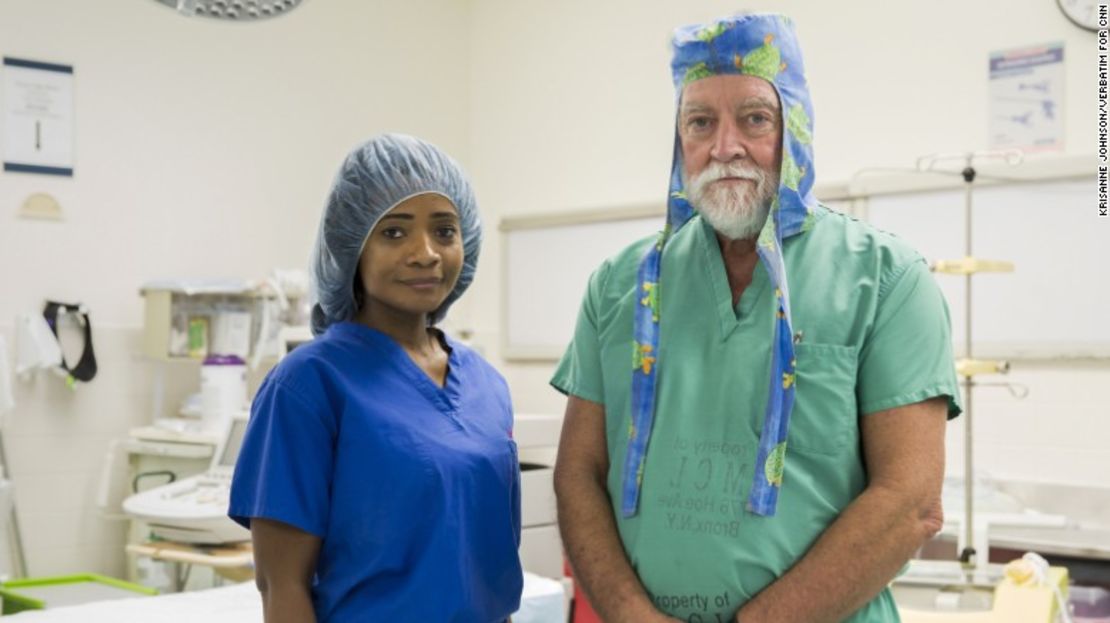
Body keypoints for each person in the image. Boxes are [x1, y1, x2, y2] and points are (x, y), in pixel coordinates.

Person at [551, 13, 962, 623]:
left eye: (753, 118)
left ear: (792, 126)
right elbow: (579, 475)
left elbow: (909, 503)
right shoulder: (620, 285)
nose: (725, 147)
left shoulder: (885, 280)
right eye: (699, 122)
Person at [229, 133, 523, 623]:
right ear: (351, 247)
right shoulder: (308, 386)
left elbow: (485, 573)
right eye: (394, 232)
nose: (425, 252)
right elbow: (282, 587)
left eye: (445, 231)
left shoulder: (486, 385)